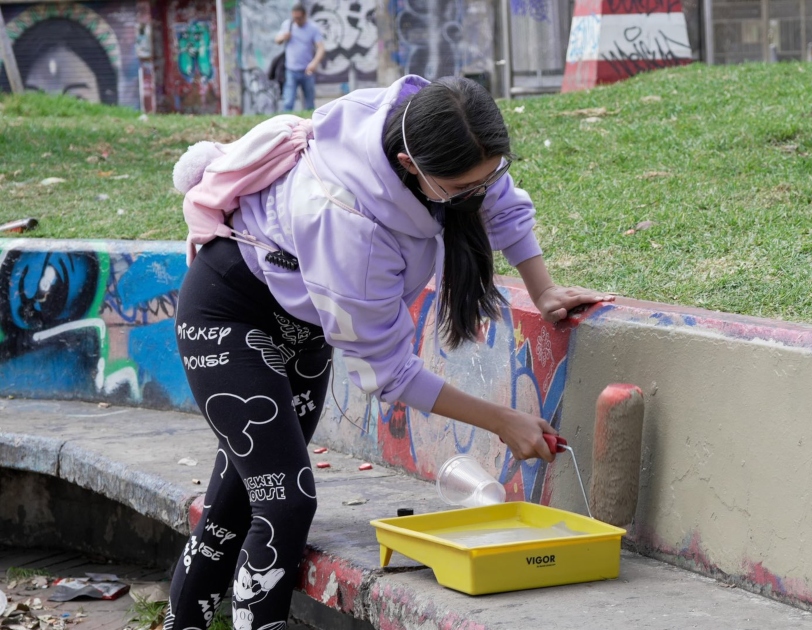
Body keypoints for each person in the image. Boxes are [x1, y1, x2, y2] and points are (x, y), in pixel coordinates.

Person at [166, 75, 614, 630]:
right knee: (285, 502)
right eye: (459, 189)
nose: (477, 194)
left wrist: (543, 289)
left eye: (487, 176)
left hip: (302, 326)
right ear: (409, 164)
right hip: (230, 317)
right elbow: (391, 373)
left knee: (239, 499)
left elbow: (500, 203)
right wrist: (502, 421)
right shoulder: (350, 221)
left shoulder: (435, 126)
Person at [274, 3, 325, 111]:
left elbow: (321, 48)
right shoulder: (288, 25)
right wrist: (284, 37)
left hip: (307, 70)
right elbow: (277, 40)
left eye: (299, 18)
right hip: (291, 69)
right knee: (288, 101)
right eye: (295, 18)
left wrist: (314, 63)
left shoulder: (313, 28)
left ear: (305, 15)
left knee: (309, 102)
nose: (297, 20)